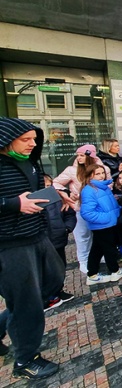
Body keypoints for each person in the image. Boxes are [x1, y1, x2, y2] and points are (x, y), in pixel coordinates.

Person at [0, 118, 65, 379]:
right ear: (6, 141)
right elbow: (15, 201)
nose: (32, 143)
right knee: (27, 303)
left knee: (52, 283)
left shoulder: (29, 162)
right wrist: (12, 204)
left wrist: (56, 194)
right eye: (26, 139)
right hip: (10, 244)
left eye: (34, 139)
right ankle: (25, 360)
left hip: (37, 234)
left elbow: (34, 192)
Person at [53, 144, 110, 274]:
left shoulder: (103, 169)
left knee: (98, 234)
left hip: (98, 208)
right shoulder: (72, 170)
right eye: (77, 155)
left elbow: (109, 185)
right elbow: (56, 182)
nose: (78, 158)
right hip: (79, 207)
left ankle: (97, 256)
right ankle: (83, 261)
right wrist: (66, 192)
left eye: (82, 155)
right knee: (82, 236)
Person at [80, 164, 122, 285]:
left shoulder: (103, 187)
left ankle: (92, 274)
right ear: (90, 175)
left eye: (102, 173)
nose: (101, 176)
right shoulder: (89, 190)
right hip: (103, 225)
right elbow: (87, 213)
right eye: (97, 174)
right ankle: (114, 271)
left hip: (108, 223)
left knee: (97, 249)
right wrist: (107, 218)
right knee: (108, 249)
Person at [42, 174, 76, 310]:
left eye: (49, 185)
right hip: (43, 241)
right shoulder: (33, 201)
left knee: (60, 266)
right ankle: (47, 297)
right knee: (44, 269)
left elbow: (69, 214)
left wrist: (66, 228)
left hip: (58, 238)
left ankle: (58, 290)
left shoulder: (59, 198)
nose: (47, 188)